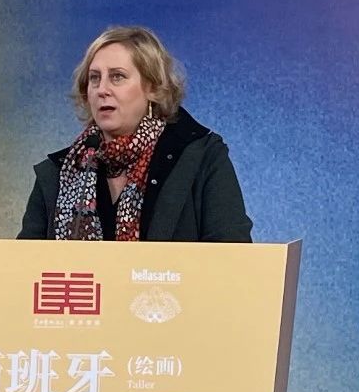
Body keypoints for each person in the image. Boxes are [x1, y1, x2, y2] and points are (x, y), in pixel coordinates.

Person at [17, 26, 253, 242]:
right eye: (94, 78)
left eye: (117, 77)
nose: (102, 90)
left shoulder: (201, 157)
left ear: (152, 88)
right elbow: (23, 267)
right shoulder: (59, 173)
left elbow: (233, 258)